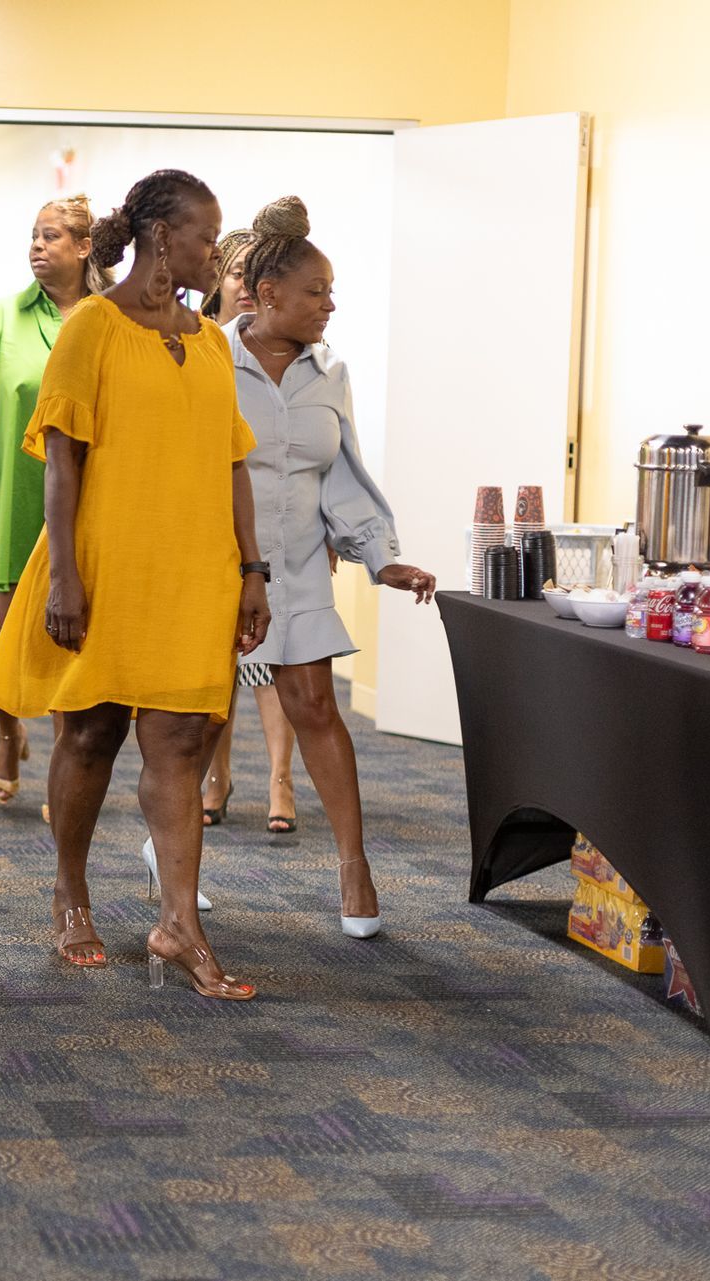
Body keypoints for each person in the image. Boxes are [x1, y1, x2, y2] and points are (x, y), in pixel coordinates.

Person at [0, 169, 270, 1000]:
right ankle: (70, 889)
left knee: (181, 741)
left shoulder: (213, 342)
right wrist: (65, 573)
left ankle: (180, 925)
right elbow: (62, 460)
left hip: (196, 569)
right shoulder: (93, 331)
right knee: (93, 733)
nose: (217, 253)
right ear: (158, 235)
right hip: (106, 565)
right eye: (206, 237)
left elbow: (233, 463)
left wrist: (252, 571)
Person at [218, 196, 437, 939]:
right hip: (218, 563)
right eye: (317, 292)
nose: (330, 305)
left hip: (302, 564)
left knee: (315, 705)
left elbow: (343, 472)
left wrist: (383, 558)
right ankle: (170, 848)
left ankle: (353, 863)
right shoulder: (208, 358)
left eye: (332, 291)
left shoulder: (328, 373)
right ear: (268, 293)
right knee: (192, 719)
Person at [0, 196, 113, 808]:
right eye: (33, 236)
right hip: (13, 501)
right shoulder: (3, 320)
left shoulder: (110, 321)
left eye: (52, 236)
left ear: (85, 248)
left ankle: (64, 768)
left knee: (69, 642)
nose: (37, 246)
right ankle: (8, 735)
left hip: (88, 504)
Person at [197, 229, 307, 836]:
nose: (243, 286)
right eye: (235, 274)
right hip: (220, 526)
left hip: (281, 529)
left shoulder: (295, 351)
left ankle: (280, 779)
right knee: (222, 668)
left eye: (252, 276)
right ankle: (217, 777)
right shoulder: (201, 344)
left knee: (272, 663)